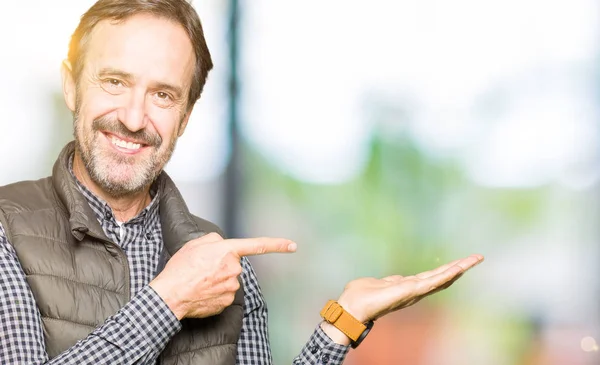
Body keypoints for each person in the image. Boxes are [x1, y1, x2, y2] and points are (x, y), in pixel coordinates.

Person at [0, 0, 484, 364]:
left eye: (163, 94)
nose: (132, 117)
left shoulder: (225, 265)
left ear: (185, 116)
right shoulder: (6, 229)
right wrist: (170, 301)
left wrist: (344, 321)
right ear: (71, 85)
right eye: (114, 82)